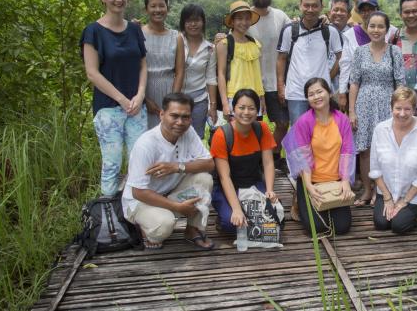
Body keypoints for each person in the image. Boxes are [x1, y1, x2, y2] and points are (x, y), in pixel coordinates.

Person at [81, 0, 147, 197]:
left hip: (137, 107)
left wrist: (140, 95)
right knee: (112, 164)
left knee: (140, 163)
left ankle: (135, 213)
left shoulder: (134, 30)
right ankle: (109, 220)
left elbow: (143, 66)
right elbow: (92, 72)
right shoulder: (93, 31)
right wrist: (121, 99)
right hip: (108, 108)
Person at [122, 93, 215, 250]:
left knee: (204, 179)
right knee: (164, 225)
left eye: (185, 117)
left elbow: (209, 163)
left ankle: (192, 229)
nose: (180, 122)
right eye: (174, 116)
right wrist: (177, 207)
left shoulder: (188, 131)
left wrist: (176, 167)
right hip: (140, 202)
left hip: (169, 192)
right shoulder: (146, 145)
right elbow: (138, 192)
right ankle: (143, 228)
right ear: (162, 114)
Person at [283, 78, 355, 236]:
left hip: (335, 180)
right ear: (307, 99)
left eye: (319, 91)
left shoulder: (341, 120)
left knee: (342, 227)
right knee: (316, 227)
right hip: (312, 180)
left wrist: (345, 181)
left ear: (329, 93)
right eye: (311, 94)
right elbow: (302, 157)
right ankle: (299, 199)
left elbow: (347, 152)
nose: (316, 97)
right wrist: (308, 185)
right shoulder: (304, 122)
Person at [349, 11, 405, 205]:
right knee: (364, 150)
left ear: (387, 29)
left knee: (385, 149)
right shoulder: (360, 51)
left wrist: (400, 110)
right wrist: (352, 111)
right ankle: (366, 190)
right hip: (364, 104)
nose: (376, 30)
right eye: (372, 25)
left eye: (380, 26)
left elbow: (400, 83)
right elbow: (354, 82)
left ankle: (381, 192)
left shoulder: (394, 52)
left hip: (388, 105)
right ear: (367, 27)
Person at [210, 89, 278, 234]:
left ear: (257, 111)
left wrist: (269, 190)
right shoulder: (222, 135)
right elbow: (224, 176)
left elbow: (268, 163)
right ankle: (225, 213)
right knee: (233, 224)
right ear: (233, 109)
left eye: (251, 108)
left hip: (252, 183)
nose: (246, 112)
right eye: (241, 107)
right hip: (226, 186)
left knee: (273, 220)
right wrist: (236, 209)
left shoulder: (262, 128)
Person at [370, 87, 417, 234]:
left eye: (407, 109)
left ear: (414, 109)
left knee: (398, 226)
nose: (402, 113)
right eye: (398, 108)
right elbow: (375, 169)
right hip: (387, 189)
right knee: (381, 224)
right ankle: (395, 205)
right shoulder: (380, 130)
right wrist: (387, 198)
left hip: (414, 192)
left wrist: (403, 202)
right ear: (391, 107)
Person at [276, 0, 343, 125]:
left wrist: (329, 76)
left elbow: (342, 58)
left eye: (314, 6)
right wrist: (280, 86)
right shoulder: (290, 30)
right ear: (300, 6)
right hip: (296, 93)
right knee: (299, 135)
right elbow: (281, 58)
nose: (310, 10)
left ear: (321, 7)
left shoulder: (330, 31)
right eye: (306, 6)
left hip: (321, 93)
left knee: (322, 133)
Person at [246, 0, 291, 167]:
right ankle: (253, 160)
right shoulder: (244, 17)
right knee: (251, 126)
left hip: (276, 81)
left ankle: (273, 154)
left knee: (282, 123)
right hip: (251, 82)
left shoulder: (280, 16)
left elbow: (296, 33)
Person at [337, 0, 399, 111]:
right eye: (363, 10)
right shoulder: (351, 34)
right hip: (359, 94)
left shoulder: (392, 31)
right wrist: (342, 91)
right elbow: (345, 64)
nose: (367, 13)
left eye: (370, 9)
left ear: (377, 10)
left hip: (387, 94)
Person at [142, 0, 185, 129]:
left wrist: (171, 101)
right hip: (144, 90)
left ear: (168, 7)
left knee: (169, 135)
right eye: (153, 6)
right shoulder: (138, 34)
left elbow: (180, 72)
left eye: (161, 5)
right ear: (146, 9)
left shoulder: (176, 37)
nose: (158, 10)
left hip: (169, 90)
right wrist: (144, 99)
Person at [216, 1, 265, 119]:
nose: (244, 22)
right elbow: (221, 74)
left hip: (255, 98)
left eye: (247, 19)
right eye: (239, 19)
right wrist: (225, 104)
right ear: (232, 21)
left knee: (255, 133)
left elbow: (258, 75)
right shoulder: (224, 43)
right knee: (236, 134)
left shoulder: (255, 44)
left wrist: (262, 99)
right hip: (234, 97)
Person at [179, 3, 217, 138]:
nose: (193, 24)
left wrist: (212, 106)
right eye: (188, 21)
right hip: (176, 98)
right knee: (174, 137)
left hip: (199, 101)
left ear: (203, 22)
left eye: (197, 20)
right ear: (183, 23)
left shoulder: (210, 48)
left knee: (195, 138)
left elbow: (211, 78)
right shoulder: (176, 41)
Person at [327, 0, 352, 94]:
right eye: (335, 10)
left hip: (346, 90)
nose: (338, 13)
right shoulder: (321, 32)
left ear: (349, 15)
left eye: (343, 10)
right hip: (321, 89)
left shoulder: (353, 36)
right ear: (329, 13)